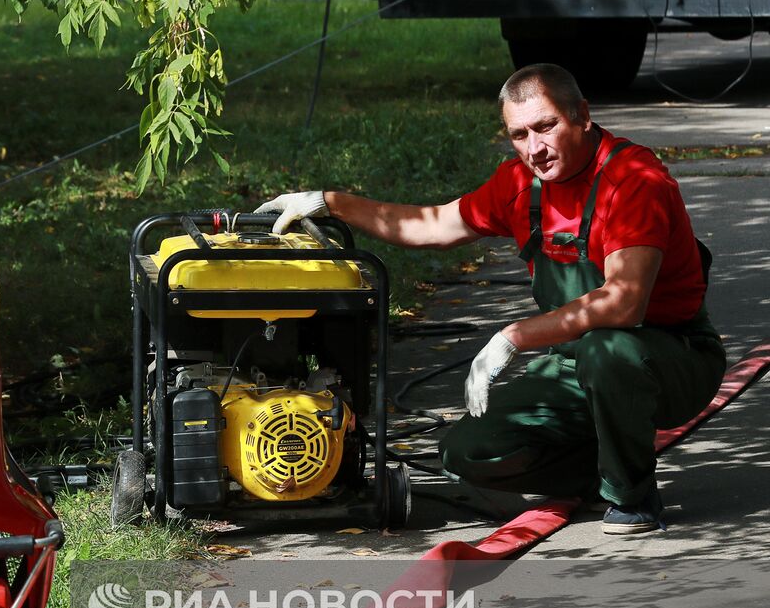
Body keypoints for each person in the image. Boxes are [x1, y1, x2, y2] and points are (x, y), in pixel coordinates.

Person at [255, 63, 724, 535]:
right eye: (519, 135)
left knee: (608, 351)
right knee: (467, 453)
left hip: (668, 356)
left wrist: (514, 336)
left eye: (546, 127)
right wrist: (329, 201)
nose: (535, 149)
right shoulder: (520, 185)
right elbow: (433, 225)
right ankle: (602, 467)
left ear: (582, 115)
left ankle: (634, 496)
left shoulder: (633, 179)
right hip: (574, 363)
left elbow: (624, 303)